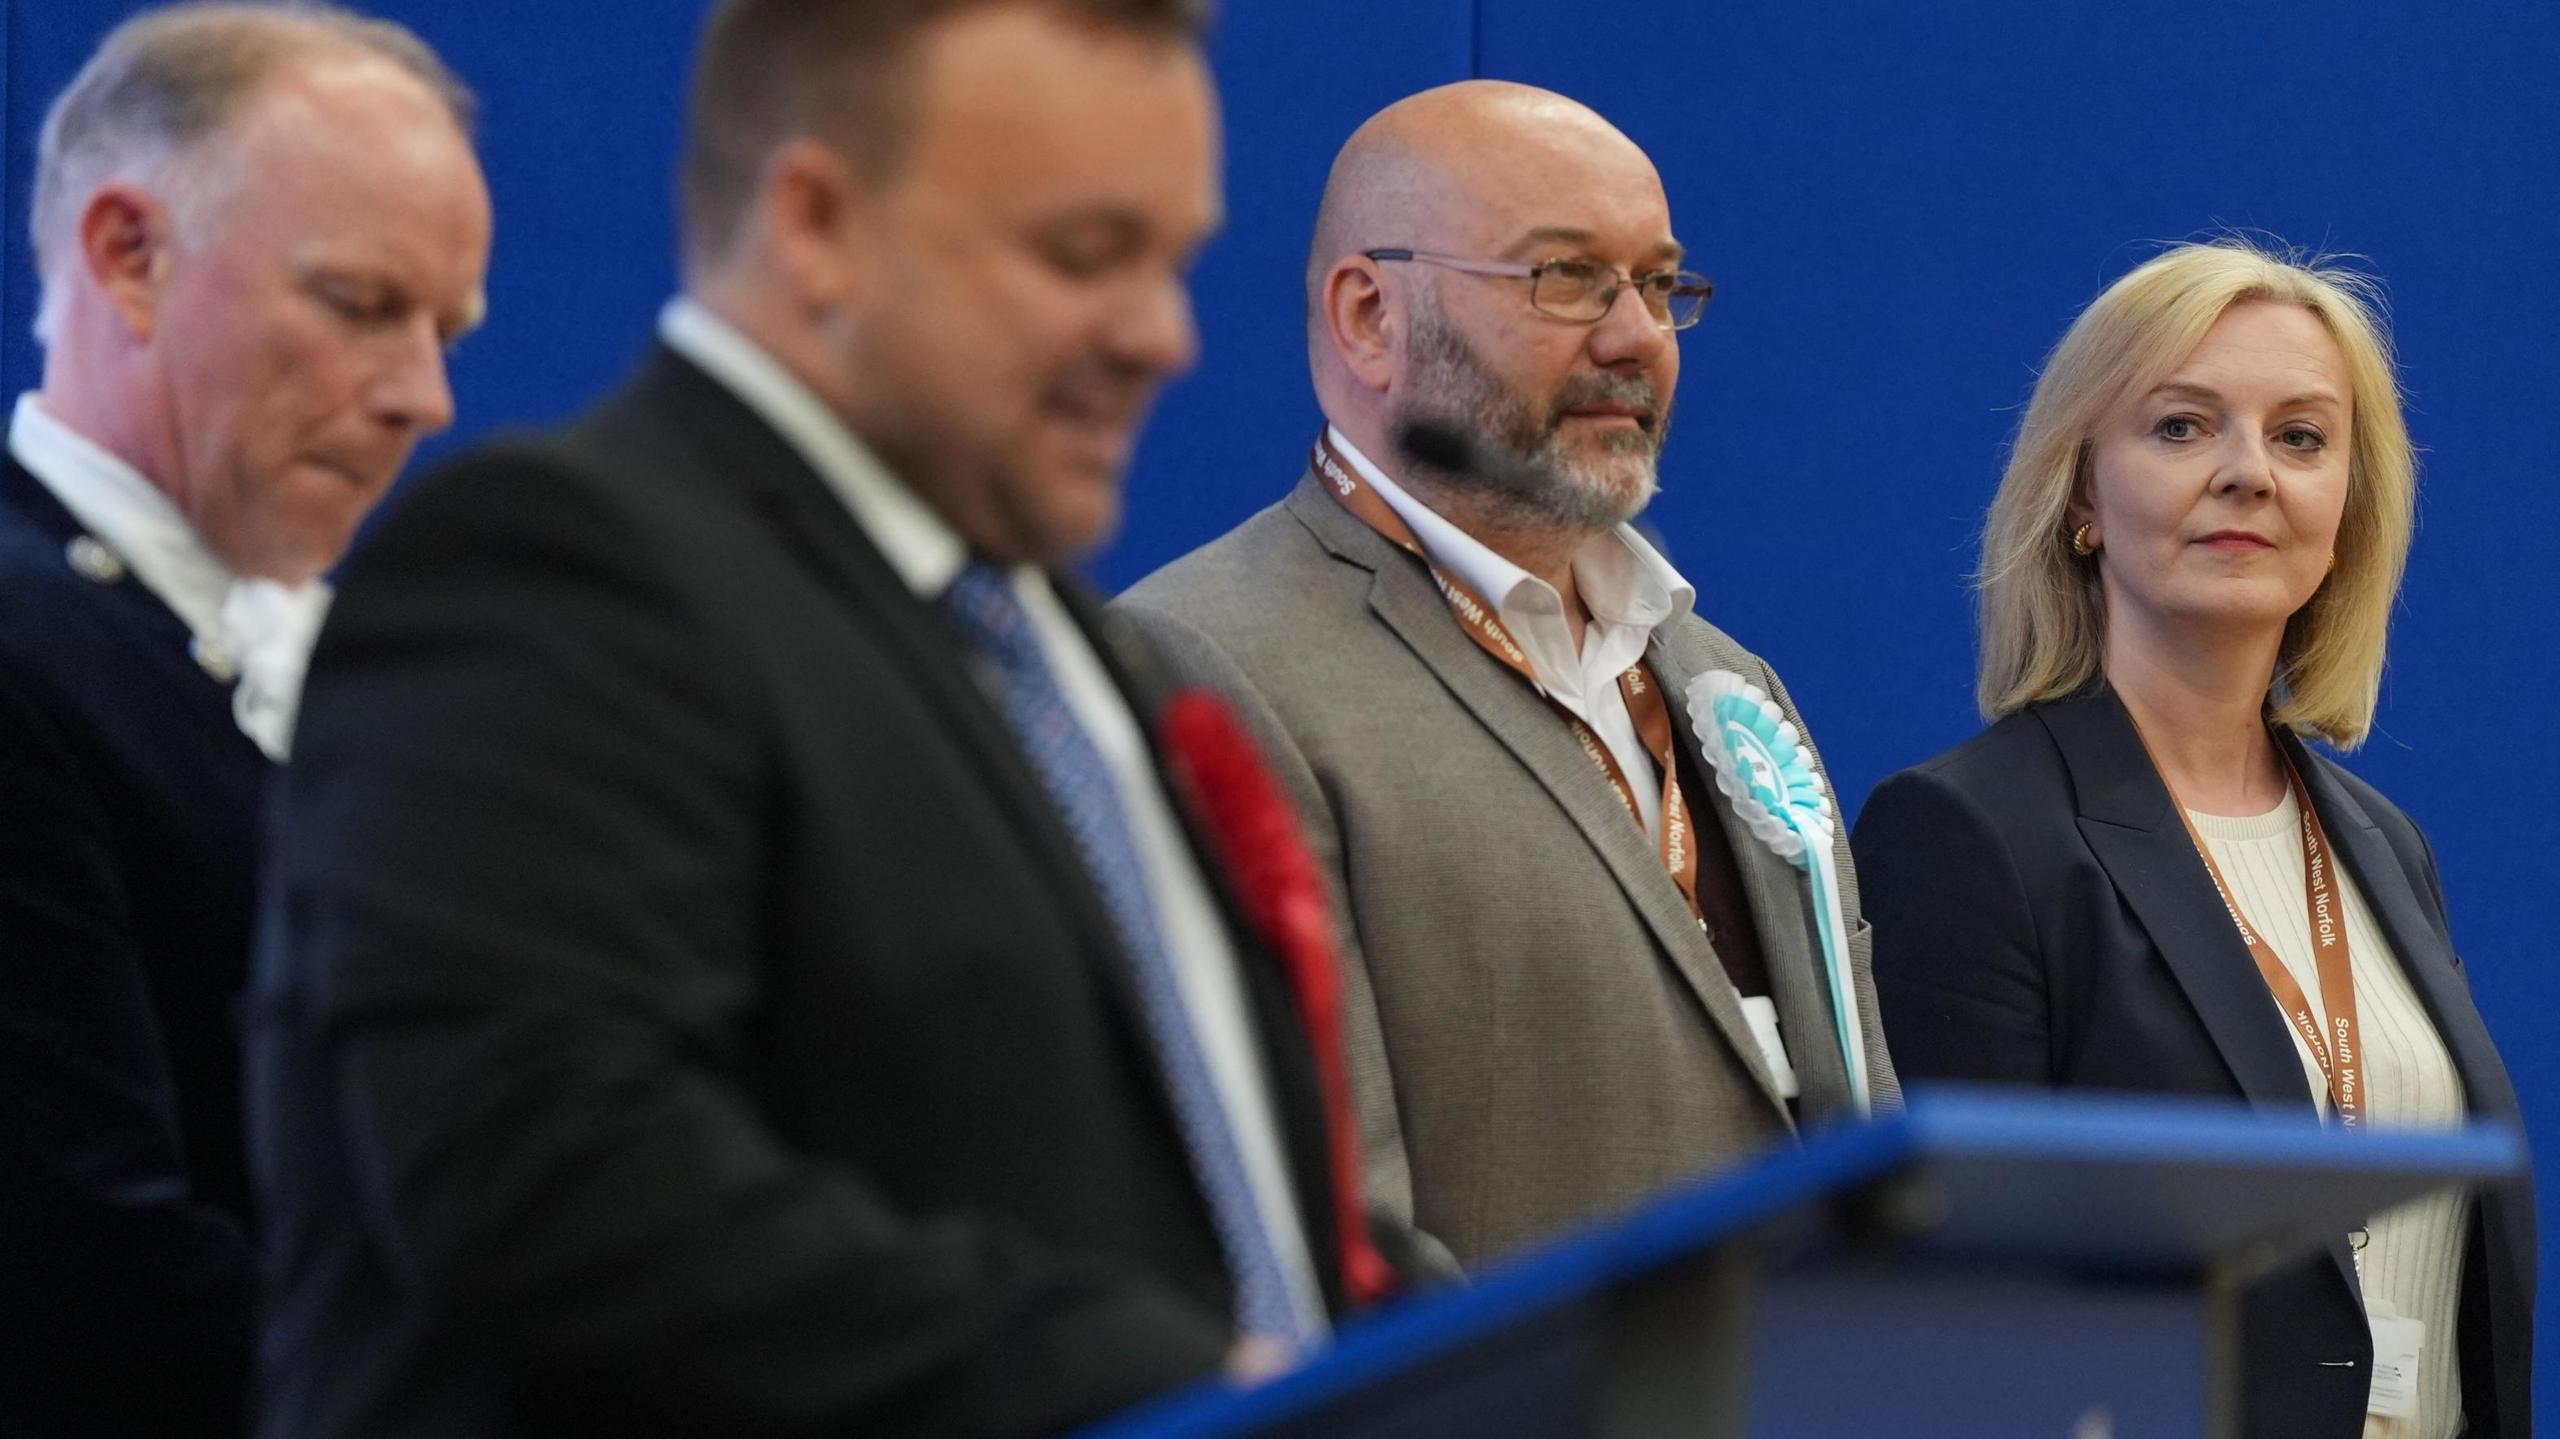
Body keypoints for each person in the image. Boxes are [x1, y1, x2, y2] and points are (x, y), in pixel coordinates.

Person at [249, 2, 1416, 1435]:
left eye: (1175, 262)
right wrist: (1186, 1386)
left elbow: (1247, 1228)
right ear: (815, 222)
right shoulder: (553, 572)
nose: (1165, 336)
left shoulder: (1088, 665)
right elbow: (555, 1183)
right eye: (1084, 254)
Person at [1118, 81, 1897, 1269]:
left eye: (1657, 283)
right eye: (1567, 277)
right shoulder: (1207, 667)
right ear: (1371, 316)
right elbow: (1329, 1246)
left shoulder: (1721, 678)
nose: (1636, 336)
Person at [1853, 239, 2532, 1439]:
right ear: (2079, 498)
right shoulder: (1968, 834)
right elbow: (1953, 1335)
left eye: (2301, 437)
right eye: (2180, 427)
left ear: (2345, 511)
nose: (2247, 473)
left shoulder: (2382, 843)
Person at [0, 6, 488, 1434]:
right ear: (126, 256)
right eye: (357, 303)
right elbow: (94, 1277)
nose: (425, 396)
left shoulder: (380, 671)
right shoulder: (26, 657)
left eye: (446, 329)